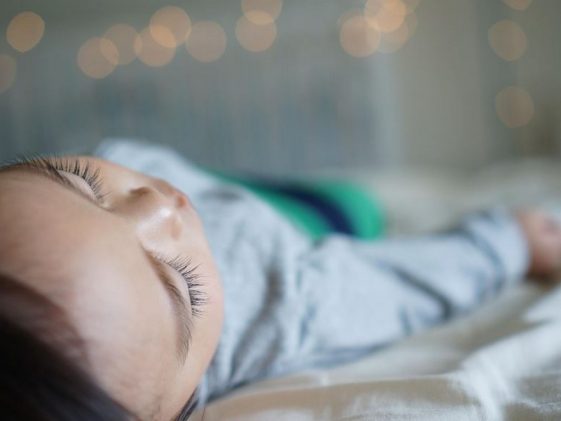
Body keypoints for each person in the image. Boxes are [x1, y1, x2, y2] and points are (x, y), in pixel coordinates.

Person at [0, 139, 560, 421]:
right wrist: (508, 242)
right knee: (357, 202)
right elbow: (394, 287)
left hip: (227, 186)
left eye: (76, 180)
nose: (161, 205)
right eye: (180, 283)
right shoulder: (281, 303)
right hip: (314, 218)